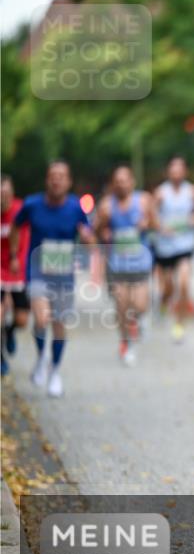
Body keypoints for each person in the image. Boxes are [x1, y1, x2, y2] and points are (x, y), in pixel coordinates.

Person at [8, 161, 95, 397]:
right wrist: (14, 254)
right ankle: (40, 357)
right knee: (41, 318)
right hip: (37, 272)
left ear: (68, 182)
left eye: (61, 176)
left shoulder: (76, 207)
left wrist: (88, 238)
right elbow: (16, 227)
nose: (56, 180)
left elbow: (89, 236)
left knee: (59, 325)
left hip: (64, 275)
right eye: (52, 176)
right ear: (47, 180)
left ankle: (55, 371)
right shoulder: (32, 204)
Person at [94, 165, 158, 367]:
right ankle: (125, 342)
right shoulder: (106, 205)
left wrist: (147, 224)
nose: (121, 184)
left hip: (140, 261)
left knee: (139, 305)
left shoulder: (144, 201)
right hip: (117, 264)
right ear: (113, 184)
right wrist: (103, 231)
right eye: (117, 181)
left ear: (132, 182)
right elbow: (96, 229)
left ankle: (139, 321)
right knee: (122, 307)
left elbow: (156, 224)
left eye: (124, 180)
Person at [153, 157, 194, 342]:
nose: (176, 173)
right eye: (173, 170)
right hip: (165, 247)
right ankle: (163, 303)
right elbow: (152, 216)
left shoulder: (192, 191)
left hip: (185, 244)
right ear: (168, 172)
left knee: (183, 285)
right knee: (169, 287)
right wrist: (161, 227)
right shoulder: (160, 193)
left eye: (179, 169)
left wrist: (193, 219)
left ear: (185, 172)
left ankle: (179, 324)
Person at [1, 175, 30, 377]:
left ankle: (10, 332)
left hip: (18, 268)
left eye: (6, 193)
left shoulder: (22, 210)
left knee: (21, 320)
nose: (3, 197)